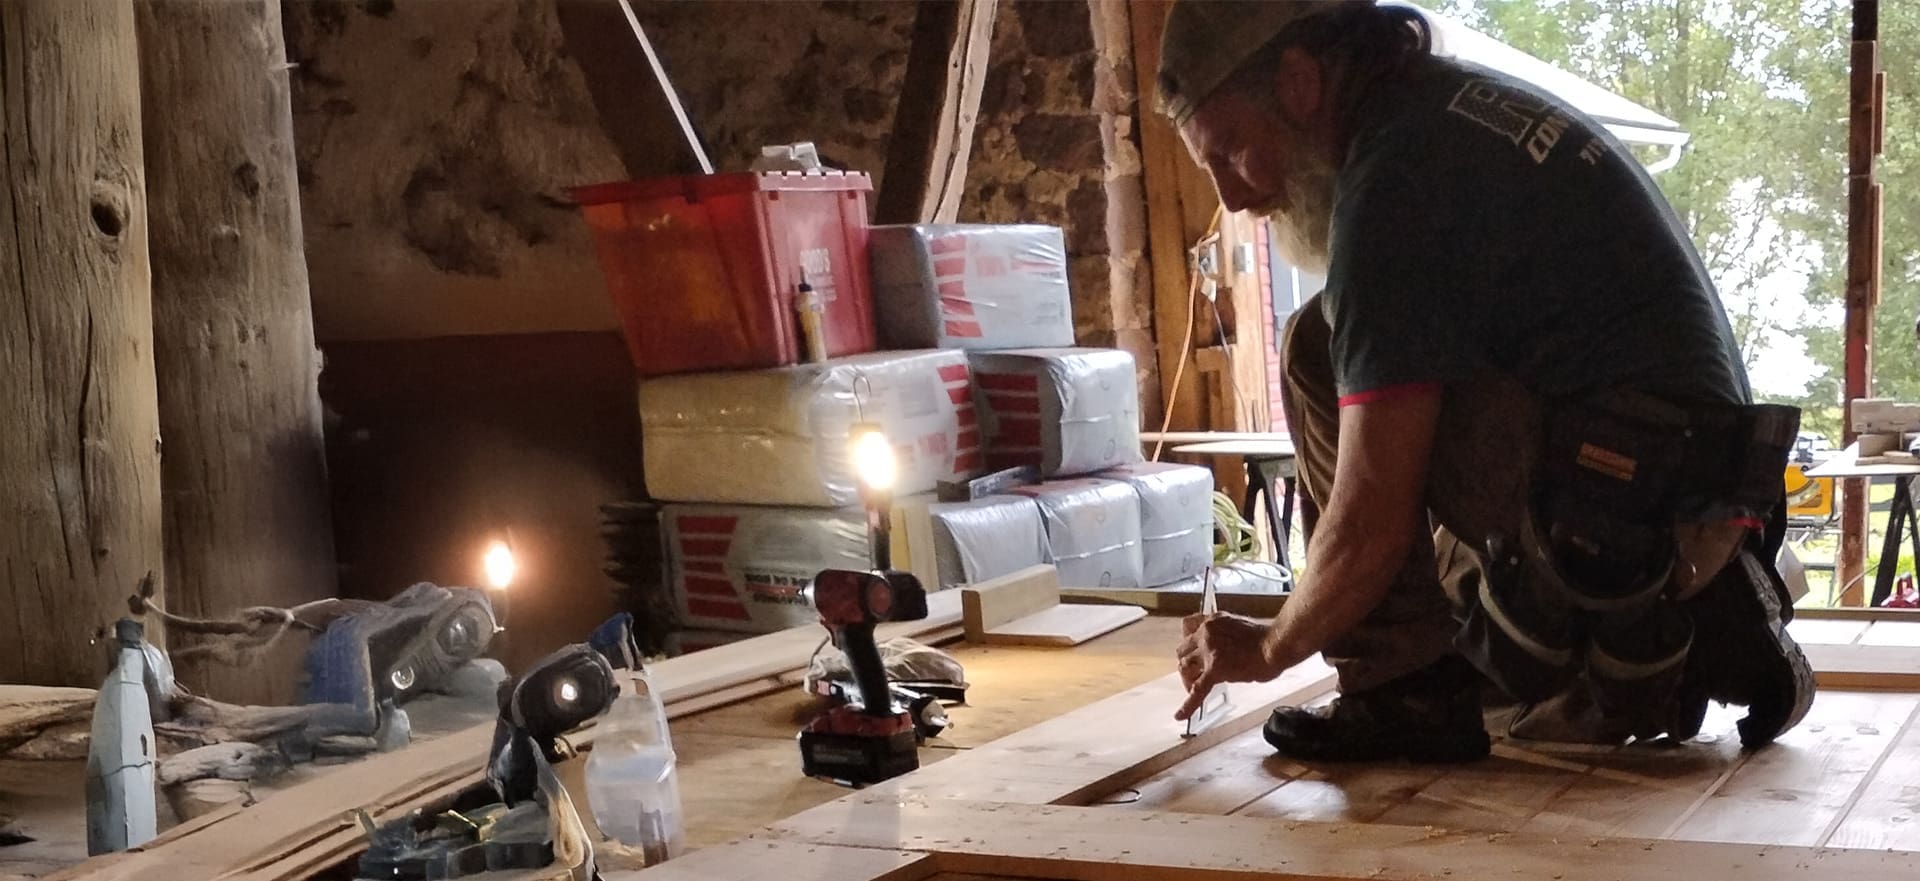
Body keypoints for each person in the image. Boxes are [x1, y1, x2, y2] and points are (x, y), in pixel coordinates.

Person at [1160, 0, 1812, 762]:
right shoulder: (1446, 108)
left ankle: (1402, 690)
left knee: (1315, 348)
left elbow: (1371, 522)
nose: (1232, 198)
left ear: (1300, 82)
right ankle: (1664, 618)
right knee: (1327, 332)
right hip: (1705, 489)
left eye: (1231, 151)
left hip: (1637, 507)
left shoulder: (1393, 188)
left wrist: (1270, 644)